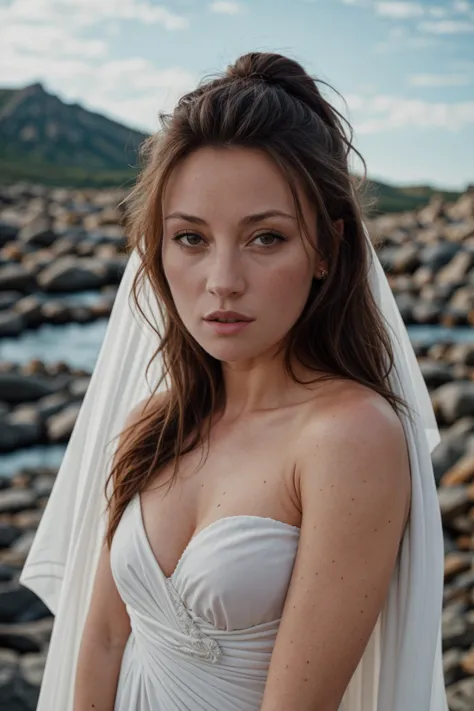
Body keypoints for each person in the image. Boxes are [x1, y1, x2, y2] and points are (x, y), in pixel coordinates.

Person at [20, 51, 448, 711]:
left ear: (327, 250)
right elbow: (103, 636)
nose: (222, 281)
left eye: (266, 238)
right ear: (156, 252)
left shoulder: (348, 436)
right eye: (190, 238)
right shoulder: (159, 421)